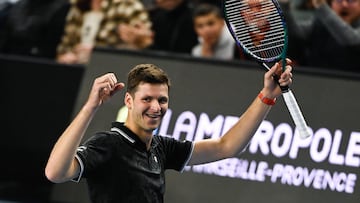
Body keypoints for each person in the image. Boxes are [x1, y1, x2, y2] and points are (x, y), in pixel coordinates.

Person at [45, 61, 293, 202]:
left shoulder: (162, 148)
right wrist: (91, 106)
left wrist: (267, 95)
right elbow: (55, 172)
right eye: (147, 99)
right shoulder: (107, 144)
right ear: (129, 101)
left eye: (162, 100)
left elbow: (227, 146)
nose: (156, 107)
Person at [57, 0, 153, 64]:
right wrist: (65, 57)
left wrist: (98, 53)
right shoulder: (77, 6)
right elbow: (64, 47)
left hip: (109, 74)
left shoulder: (129, 6)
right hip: (75, 70)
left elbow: (143, 47)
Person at [283, 0, 360, 72]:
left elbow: (352, 40)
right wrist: (283, 5)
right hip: (312, 82)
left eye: (351, 0)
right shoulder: (319, 24)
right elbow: (295, 35)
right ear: (331, 3)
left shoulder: (324, 13)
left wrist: (321, 5)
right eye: (338, 0)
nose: (344, 4)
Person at [0, 0, 70, 59]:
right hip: (10, 59)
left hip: (38, 63)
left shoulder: (63, 8)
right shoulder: (18, 5)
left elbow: (49, 49)